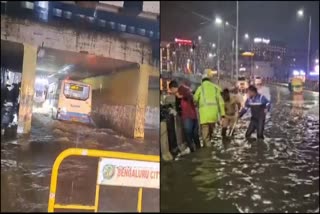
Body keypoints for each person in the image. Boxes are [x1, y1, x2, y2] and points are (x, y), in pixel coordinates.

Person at [193, 72, 225, 147]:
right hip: (213, 116)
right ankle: (209, 146)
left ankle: (207, 152)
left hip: (204, 116)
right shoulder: (215, 88)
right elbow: (221, 102)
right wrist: (222, 115)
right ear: (209, 80)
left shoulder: (200, 88)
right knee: (210, 133)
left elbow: (195, 99)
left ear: (202, 80)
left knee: (205, 137)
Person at [169, 80, 201, 152]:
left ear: (173, 88)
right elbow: (179, 107)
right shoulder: (178, 94)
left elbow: (189, 94)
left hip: (188, 117)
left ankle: (193, 150)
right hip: (192, 116)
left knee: (188, 134)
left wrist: (181, 96)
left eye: (171, 90)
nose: (171, 92)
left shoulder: (182, 88)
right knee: (195, 135)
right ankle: (198, 151)